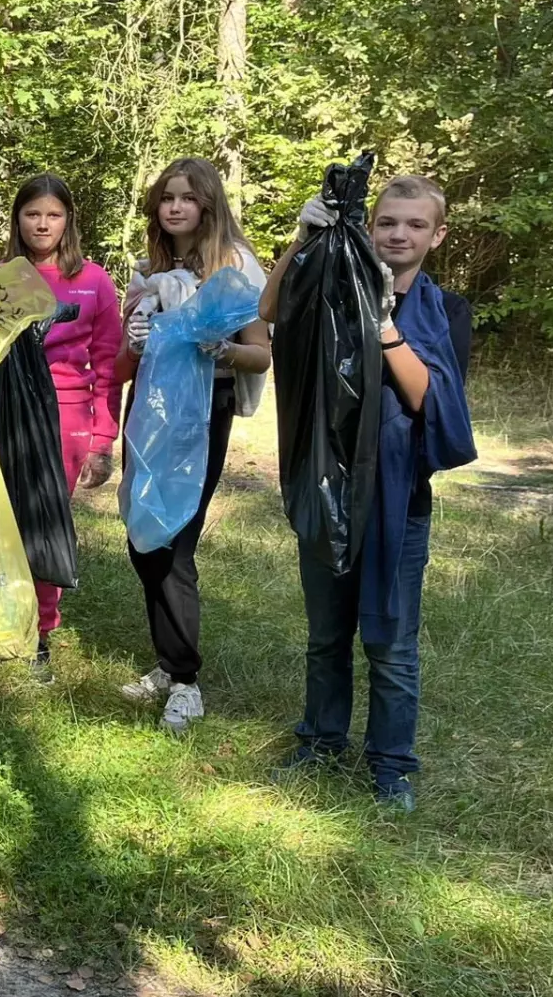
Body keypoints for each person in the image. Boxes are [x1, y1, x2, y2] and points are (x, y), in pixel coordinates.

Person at [260, 174, 475, 813]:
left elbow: (429, 397)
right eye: (388, 223)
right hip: (328, 484)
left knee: (390, 640)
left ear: (436, 235)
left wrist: (382, 320)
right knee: (326, 632)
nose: (399, 235)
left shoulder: (446, 311)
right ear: (370, 226)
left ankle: (391, 764)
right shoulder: (333, 282)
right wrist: (300, 243)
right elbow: (270, 311)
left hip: (396, 500)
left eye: (414, 225)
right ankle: (322, 740)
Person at [113, 158, 271, 733]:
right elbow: (126, 360)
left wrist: (220, 347)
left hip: (205, 409)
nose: (175, 207)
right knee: (141, 532)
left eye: (187, 198)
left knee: (175, 538)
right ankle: (167, 662)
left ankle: (185, 681)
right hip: (150, 408)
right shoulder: (150, 269)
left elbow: (260, 352)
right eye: (166, 198)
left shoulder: (235, 267)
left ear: (209, 204)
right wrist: (134, 336)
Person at [0, 172, 125, 662]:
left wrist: (103, 438)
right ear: (17, 219)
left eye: (53, 215)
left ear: (68, 220)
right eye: (32, 213)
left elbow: (108, 362)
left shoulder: (93, 280)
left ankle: (38, 632)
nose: (42, 224)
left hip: (66, 416)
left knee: (43, 520)